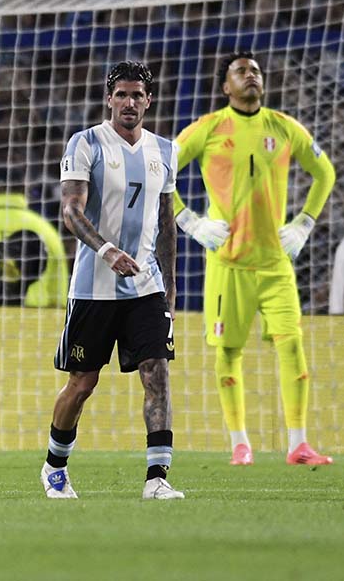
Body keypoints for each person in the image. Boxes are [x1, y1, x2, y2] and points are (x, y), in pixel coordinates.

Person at [173, 51, 336, 466]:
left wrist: (303, 222)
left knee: (292, 345)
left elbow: (326, 173)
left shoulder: (283, 127)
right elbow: (160, 167)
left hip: (276, 263)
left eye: (256, 71)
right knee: (229, 352)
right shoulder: (208, 129)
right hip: (228, 264)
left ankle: (298, 443)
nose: (252, 76)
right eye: (241, 71)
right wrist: (190, 222)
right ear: (225, 86)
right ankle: (239, 443)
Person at [41, 61, 183, 501]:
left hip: (146, 286)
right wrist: (106, 250)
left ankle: (157, 478)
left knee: (156, 373)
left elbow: (165, 223)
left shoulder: (165, 150)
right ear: (109, 99)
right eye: (121, 94)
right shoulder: (85, 143)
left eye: (137, 95)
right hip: (93, 286)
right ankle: (54, 467)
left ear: (149, 100)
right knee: (83, 383)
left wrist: (171, 291)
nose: (129, 102)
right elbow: (70, 210)